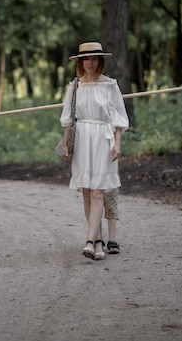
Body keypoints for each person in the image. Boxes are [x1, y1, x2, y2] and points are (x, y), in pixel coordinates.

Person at [59, 42, 129, 260]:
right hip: (82, 138)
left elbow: (119, 118)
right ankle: (98, 242)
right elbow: (67, 119)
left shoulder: (110, 85)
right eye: (86, 59)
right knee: (88, 192)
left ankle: (89, 240)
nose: (90, 62)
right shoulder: (75, 86)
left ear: (100, 61)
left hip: (103, 138)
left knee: (99, 190)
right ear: (81, 62)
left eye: (94, 58)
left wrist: (117, 144)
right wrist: (65, 144)